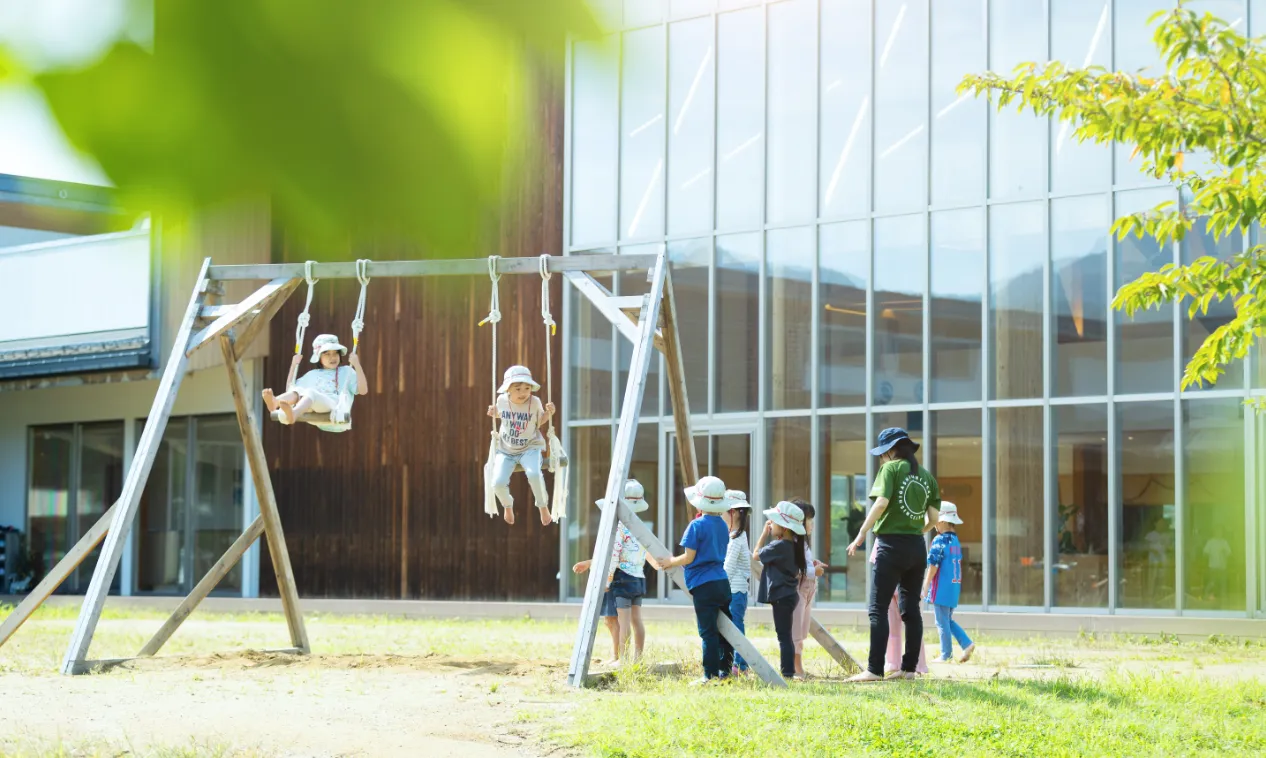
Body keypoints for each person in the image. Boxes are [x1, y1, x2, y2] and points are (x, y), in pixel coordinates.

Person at [846, 428, 940, 682]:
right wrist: (912, 532)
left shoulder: (889, 469)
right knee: (911, 610)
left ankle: (874, 670)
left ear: (890, 451)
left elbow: (880, 503)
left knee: (878, 608)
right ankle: (909, 669)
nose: (881, 458)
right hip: (917, 547)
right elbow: (934, 519)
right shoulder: (926, 477)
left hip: (889, 546)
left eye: (882, 454)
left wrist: (860, 535)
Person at [650, 476, 735, 684]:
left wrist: (670, 561)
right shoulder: (724, 526)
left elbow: (689, 557)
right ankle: (725, 671)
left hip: (703, 584)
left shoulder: (696, 526)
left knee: (708, 632)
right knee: (726, 631)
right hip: (722, 582)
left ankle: (710, 675)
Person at [573, 480, 652, 665]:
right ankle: (637, 658)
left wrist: (607, 582)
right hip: (638, 577)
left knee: (623, 621)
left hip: (622, 577)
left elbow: (614, 556)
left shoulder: (620, 528)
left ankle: (622, 659)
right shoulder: (641, 526)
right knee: (636, 620)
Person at [485, 365, 556, 526]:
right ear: (508, 389)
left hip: (529, 447)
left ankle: (542, 506)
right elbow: (501, 415)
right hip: (506, 450)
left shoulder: (535, 402)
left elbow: (539, 422)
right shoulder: (501, 401)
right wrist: (493, 412)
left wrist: (549, 413)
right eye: (518, 388)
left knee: (534, 474)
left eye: (527, 388)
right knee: (497, 482)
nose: (523, 392)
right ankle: (507, 505)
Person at [263, 333, 369, 429]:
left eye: (335, 353)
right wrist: (293, 365)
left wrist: (357, 364)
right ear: (319, 357)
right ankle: (275, 402)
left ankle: (293, 414)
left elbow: (363, 390)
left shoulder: (346, 371)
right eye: (327, 354)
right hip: (312, 406)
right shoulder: (312, 374)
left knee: (310, 392)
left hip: (335, 406)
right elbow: (290, 390)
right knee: (299, 391)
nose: (332, 357)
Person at [752, 500, 807, 680]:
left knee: (783, 636)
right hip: (790, 595)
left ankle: (787, 673)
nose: (771, 524)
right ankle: (788, 671)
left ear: (784, 527)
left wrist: (763, 534)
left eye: (774, 522)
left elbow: (756, 555)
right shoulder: (793, 546)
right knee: (786, 635)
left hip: (781, 596)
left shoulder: (778, 546)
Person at [921, 502, 975, 663]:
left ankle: (946, 654)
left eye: (935, 520)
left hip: (941, 588)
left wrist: (926, 584)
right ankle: (966, 643)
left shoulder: (939, 541)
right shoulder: (955, 541)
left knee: (941, 622)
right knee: (947, 620)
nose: (934, 524)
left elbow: (933, 566)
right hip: (953, 587)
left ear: (943, 521)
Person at [874, 546, 929, 675]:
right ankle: (893, 663)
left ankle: (918, 665)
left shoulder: (908, 537)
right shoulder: (881, 540)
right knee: (893, 628)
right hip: (890, 589)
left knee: (912, 625)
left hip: (908, 588)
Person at [791, 500, 827, 679]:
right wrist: (814, 570)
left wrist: (812, 565)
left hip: (807, 591)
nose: (812, 524)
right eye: (809, 520)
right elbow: (793, 570)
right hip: (798, 592)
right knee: (796, 631)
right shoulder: (792, 543)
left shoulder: (803, 543)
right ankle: (796, 667)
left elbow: (802, 565)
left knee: (802, 629)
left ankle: (798, 665)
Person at [722, 490, 753, 675]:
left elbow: (728, 567)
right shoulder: (736, 535)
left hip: (735, 590)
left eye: (723, 511)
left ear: (732, 512)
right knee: (734, 625)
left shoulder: (736, 538)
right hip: (734, 590)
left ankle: (740, 665)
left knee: (735, 626)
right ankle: (738, 663)